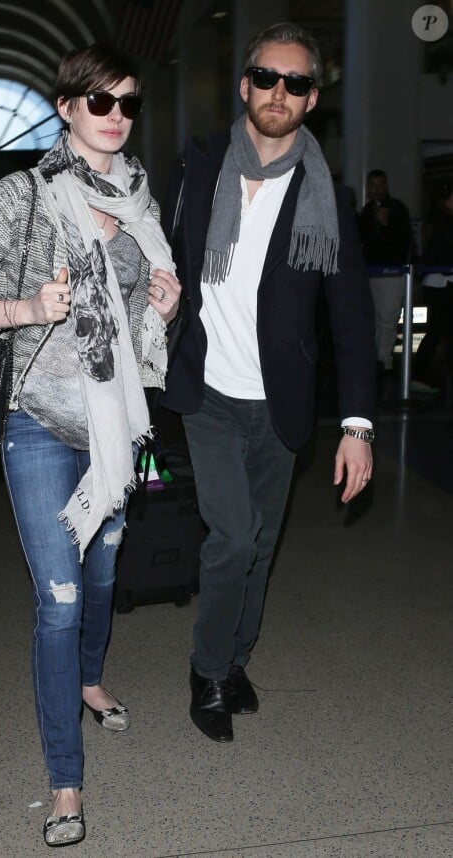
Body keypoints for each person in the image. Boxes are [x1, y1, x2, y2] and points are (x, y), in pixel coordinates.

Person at [0, 43, 181, 847]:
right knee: (60, 599)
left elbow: (138, 315)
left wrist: (163, 311)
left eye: (127, 104)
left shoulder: (141, 197)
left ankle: (92, 682)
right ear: (66, 106)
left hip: (119, 425)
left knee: (103, 573)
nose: (115, 118)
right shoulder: (23, 194)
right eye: (98, 102)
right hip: (39, 421)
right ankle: (65, 784)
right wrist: (26, 309)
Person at [161, 22, 376, 744]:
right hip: (208, 394)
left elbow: (350, 323)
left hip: (280, 407)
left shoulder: (329, 200)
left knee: (260, 547)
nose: (277, 92)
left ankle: (236, 662)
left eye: (296, 82)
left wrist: (357, 427)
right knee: (232, 539)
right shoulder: (198, 169)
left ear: (312, 98)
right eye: (266, 78)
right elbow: (152, 250)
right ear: (245, 83)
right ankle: (207, 668)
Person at [359, 169, 412, 373]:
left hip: (392, 272)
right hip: (370, 273)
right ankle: (374, 358)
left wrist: (386, 225)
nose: (376, 189)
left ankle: (384, 359)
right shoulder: (366, 212)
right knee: (372, 317)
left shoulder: (398, 209)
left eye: (380, 185)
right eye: (373, 185)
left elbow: (404, 241)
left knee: (388, 317)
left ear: (386, 186)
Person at [412, 181, 453, 393]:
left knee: (439, 330)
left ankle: (420, 374)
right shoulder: (442, 223)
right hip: (440, 282)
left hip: (441, 282)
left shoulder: (440, 221)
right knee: (438, 330)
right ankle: (418, 374)